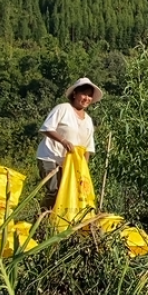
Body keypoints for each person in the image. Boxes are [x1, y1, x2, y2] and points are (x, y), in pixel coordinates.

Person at [37, 77, 102, 209]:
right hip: (50, 157)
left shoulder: (88, 121)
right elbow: (46, 128)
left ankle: (57, 223)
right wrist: (63, 141)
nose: (87, 98)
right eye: (84, 94)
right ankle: (39, 222)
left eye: (90, 96)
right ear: (74, 94)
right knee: (54, 191)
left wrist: (83, 170)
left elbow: (87, 148)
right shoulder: (63, 109)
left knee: (68, 194)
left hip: (70, 163)